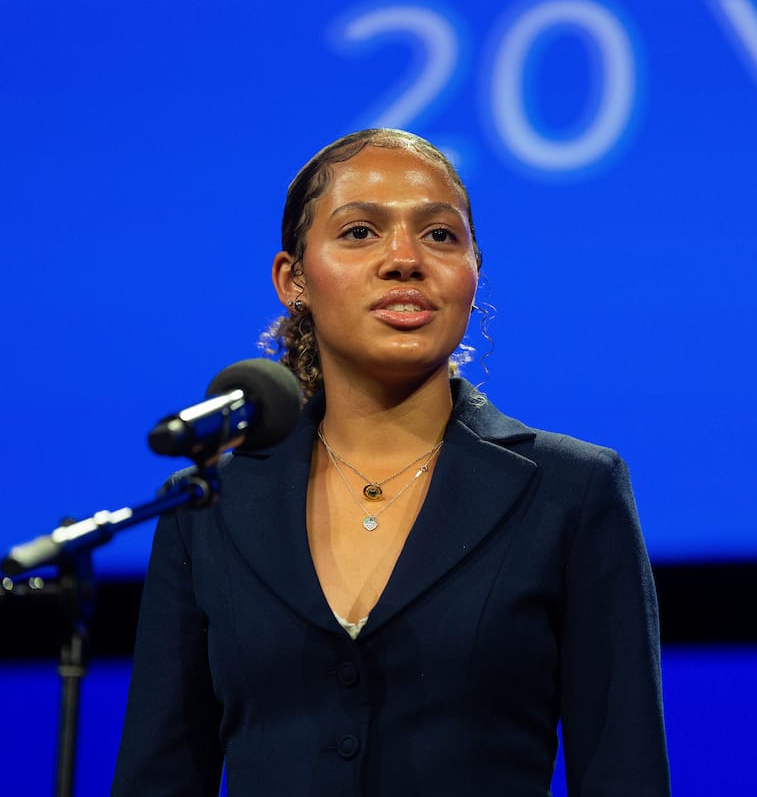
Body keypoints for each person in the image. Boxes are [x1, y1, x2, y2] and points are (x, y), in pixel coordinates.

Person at [112, 128, 670, 796]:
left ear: (473, 272)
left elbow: (624, 771)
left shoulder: (572, 491)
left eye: (440, 235)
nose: (405, 259)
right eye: (359, 232)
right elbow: (160, 777)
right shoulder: (209, 504)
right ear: (293, 279)